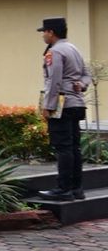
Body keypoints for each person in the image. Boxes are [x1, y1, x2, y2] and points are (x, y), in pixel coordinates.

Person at [38, 17, 91, 200]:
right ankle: (77, 189)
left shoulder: (55, 51)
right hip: (77, 103)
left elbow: (54, 81)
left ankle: (63, 189)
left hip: (62, 105)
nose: (43, 35)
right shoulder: (73, 48)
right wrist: (81, 85)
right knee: (74, 147)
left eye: (44, 32)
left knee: (63, 148)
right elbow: (86, 75)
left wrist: (48, 106)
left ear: (51, 32)